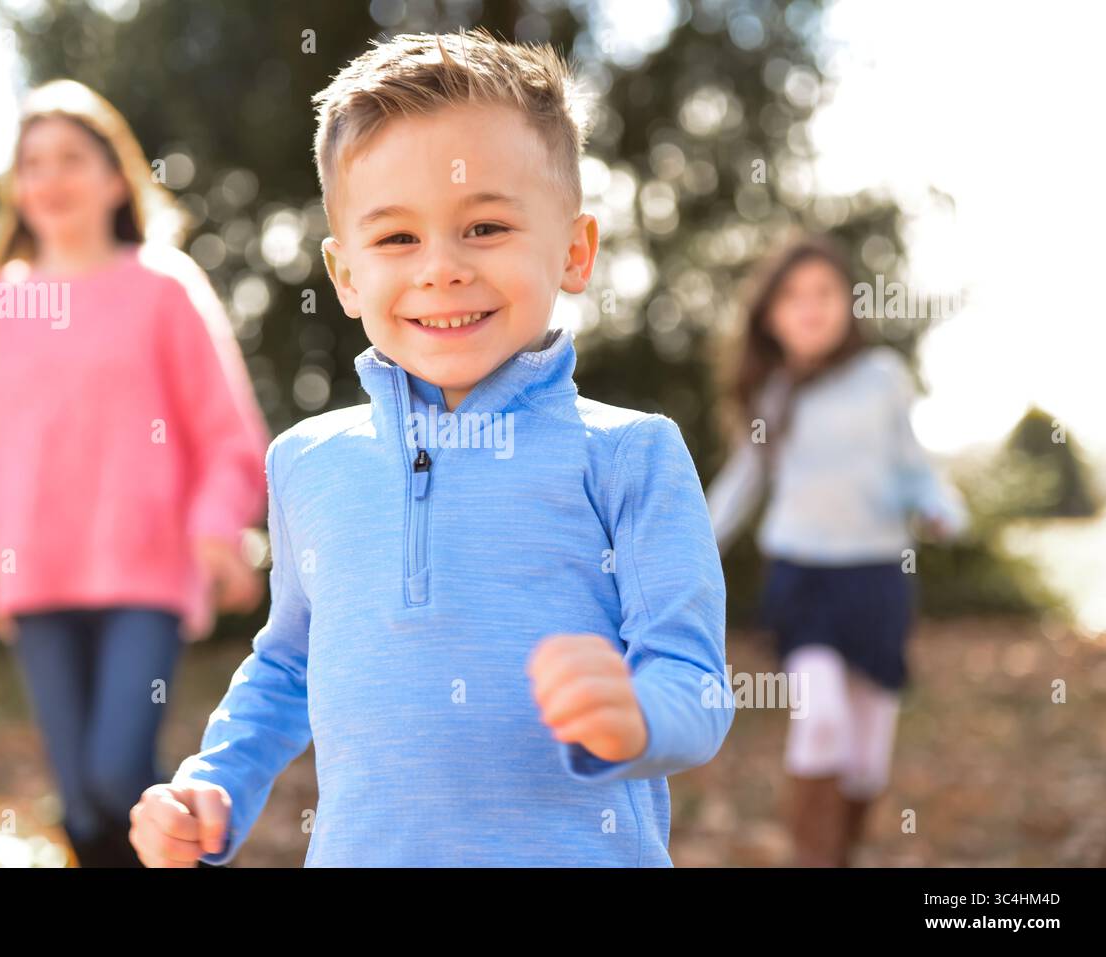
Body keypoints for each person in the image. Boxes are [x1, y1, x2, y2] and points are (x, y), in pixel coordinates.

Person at [128, 28, 733, 867]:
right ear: (344, 276)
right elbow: (288, 663)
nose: (441, 268)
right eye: (398, 238)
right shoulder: (307, 463)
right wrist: (214, 781)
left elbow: (697, 682)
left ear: (574, 250)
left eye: (485, 226)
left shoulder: (631, 455)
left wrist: (635, 713)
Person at [0, 80, 271, 867]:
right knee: (85, 802)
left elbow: (227, 436)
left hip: (146, 577)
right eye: (31, 163)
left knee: (117, 771)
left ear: (115, 177)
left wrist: (215, 529)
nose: (49, 178)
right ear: (16, 188)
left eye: (70, 159)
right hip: (36, 584)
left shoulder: (162, 289)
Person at [704, 234, 969, 866]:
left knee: (865, 756)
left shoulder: (883, 378)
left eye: (823, 293)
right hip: (802, 578)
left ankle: (841, 849)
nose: (809, 307)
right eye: (793, 296)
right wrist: (690, 543)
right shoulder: (773, 395)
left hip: (877, 580)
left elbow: (913, 468)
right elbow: (742, 486)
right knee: (819, 717)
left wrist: (943, 509)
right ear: (771, 316)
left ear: (848, 305)